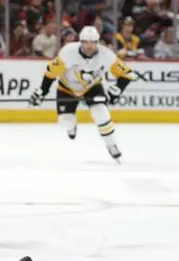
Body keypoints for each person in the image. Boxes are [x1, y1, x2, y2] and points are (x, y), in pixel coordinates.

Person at [29, 26, 134, 160]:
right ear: (81, 42)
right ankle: (71, 126)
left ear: (97, 42)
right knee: (65, 120)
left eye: (93, 42)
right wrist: (42, 92)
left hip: (92, 87)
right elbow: (51, 73)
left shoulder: (106, 55)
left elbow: (127, 74)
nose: (89, 46)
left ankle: (111, 144)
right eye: (86, 42)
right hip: (67, 88)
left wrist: (117, 90)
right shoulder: (68, 52)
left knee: (101, 112)